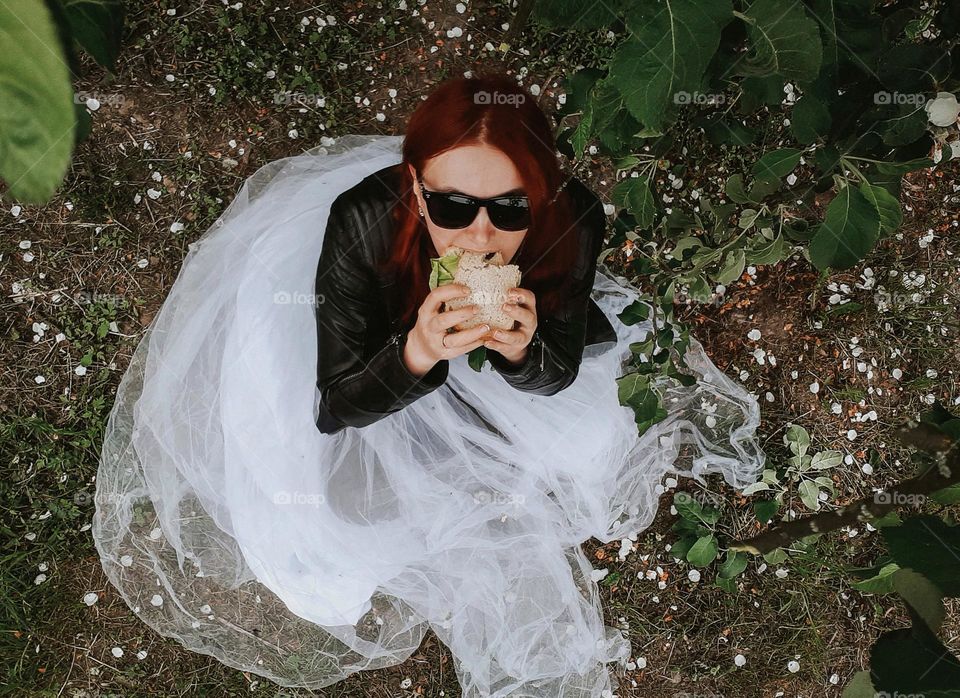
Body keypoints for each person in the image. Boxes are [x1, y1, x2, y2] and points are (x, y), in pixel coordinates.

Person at [92, 72, 765, 698]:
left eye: (510, 208)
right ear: (417, 192)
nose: (479, 236)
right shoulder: (362, 222)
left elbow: (558, 367)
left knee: (585, 439)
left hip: (480, 344)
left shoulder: (573, 219)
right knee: (346, 509)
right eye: (452, 206)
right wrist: (414, 353)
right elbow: (335, 404)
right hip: (369, 341)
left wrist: (524, 351)